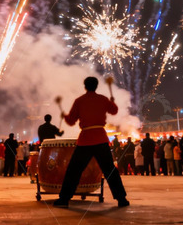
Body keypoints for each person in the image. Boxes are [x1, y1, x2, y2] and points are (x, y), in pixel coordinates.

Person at [53, 76, 128, 207]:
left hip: (85, 140)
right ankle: (121, 199)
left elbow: (71, 121)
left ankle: (64, 199)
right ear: (96, 86)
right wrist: (112, 101)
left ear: (85, 86)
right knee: (110, 170)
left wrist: (64, 116)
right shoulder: (103, 99)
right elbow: (114, 111)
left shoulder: (79, 101)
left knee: (74, 170)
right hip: (100, 138)